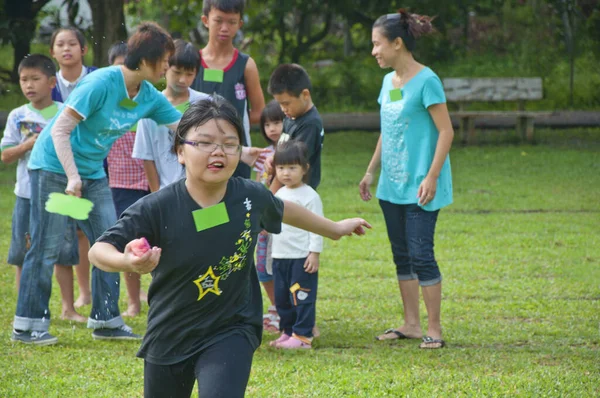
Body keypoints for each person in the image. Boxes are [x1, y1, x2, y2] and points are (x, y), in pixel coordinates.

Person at [88, 97, 370, 397]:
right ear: (180, 151)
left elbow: (283, 208)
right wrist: (127, 262)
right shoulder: (157, 207)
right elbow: (98, 250)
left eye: (229, 143)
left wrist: (335, 229)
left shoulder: (249, 196)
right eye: (205, 143)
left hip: (231, 328)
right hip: (170, 332)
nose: (218, 151)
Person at [12, 22, 183, 345]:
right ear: (145, 59)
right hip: (53, 167)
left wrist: (240, 151)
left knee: (110, 241)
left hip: (91, 173)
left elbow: (185, 126)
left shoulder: (148, 96)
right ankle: (28, 324)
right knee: (46, 244)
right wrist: (72, 177)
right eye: (164, 59)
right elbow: (60, 130)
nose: (167, 67)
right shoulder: (101, 82)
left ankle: (106, 319)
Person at [359, 9, 454, 349]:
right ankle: (411, 324)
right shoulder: (388, 82)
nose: (374, 51)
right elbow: (389, 130)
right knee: (402, 255)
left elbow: (446, 131)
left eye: (377, 44)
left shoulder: (428, 80)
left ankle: (434, 329)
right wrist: (371, 171)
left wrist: (431, 176)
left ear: (397, 43)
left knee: (421, 253)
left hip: (421, 187)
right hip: (391, 186)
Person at [1, 54, 82, 323]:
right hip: (25, 193)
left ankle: (68, 307)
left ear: (51, 82)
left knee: (64, 251)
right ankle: (25, 305)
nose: (29, 85)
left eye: (35, 79)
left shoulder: (65, 111)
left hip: (60, 193)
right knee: (23, 252)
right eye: (24, 80)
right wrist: (27, 145)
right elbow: (6, 155)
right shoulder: (17, 116)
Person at [49, 26, 98, 314]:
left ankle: (87, 292)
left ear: (84, 49)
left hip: (92, 164)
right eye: (59, 45)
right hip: (57, 166)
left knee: (86, 233)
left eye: (72, 44)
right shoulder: (47, 82)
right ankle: (71, 301)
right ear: (53, 52)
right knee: (63, 232)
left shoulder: (95, 79)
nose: (66, 49)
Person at [191, 0, 266, 179]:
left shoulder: (246, 65)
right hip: (199, 152)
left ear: (240, 24)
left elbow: (259, 112)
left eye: (232, 22)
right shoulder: (191, 63)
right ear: (205, 20)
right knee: (205, 204)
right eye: (218, 21)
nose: (225, 28)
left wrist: (231, 123)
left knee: (236, 205)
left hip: (236, 153)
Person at [105, 41, 150, 318]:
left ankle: (158, 296)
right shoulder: (105, 101)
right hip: (121, 184)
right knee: (128, 244)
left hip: (151, 182)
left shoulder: (148, 99)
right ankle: (133, 301)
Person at [133, 39, 210, 192]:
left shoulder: (206, 103)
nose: (183, 80)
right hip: (167, 191)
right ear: (165, 67)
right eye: (177, 72)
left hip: (203, 190)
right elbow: (147, 157)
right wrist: (156, 194)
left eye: (189, 74)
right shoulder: (149, 108)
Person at [268, 140, 323, 349]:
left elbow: (317, 227)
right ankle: (288, 331)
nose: (286, 173)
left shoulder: (310, 196)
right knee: (282, 298)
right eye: (281, 168)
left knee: (301, 295)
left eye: (292, 168)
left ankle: (303, 336)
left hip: (301, 257)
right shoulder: (280, 194)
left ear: (305, 168)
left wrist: (314, 253)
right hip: (280, 256)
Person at [267, 63, 324, 192]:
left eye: (286, 103)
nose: (283, 109)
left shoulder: (309, 124)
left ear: (305, 94)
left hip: (297, 194)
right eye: (280, 104)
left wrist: (269, 198)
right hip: (285, 191)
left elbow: (290, 162)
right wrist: (274, 158)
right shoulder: (292, 115)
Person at [253, 100, 284, 332]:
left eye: (277, 122)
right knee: (261, 267)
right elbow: (258, 183)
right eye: (267, 124)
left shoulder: (290, 154)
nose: (272, 128)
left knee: (279, 265)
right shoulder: (264, 155)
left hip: (278, 217)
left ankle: (280, 310)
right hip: (261, 220)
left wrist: (266, 212)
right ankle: (275, 305)